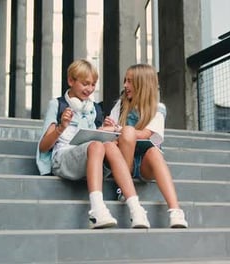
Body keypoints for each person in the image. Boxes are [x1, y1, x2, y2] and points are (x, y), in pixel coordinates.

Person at [36, 59, 151, 229]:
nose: (89, 89)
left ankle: (136, 209)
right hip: (63, 159)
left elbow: (98, 138)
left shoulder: (95, 109)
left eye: (93, 84)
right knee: (96, 146)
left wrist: (105, 129)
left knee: (110, 146)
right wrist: (61, 127)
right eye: (85, 84)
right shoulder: (58, 105)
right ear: (70, 81)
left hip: (88, 158)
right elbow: (43, 146)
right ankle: (96, 210)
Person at [103, 63, 189, 228]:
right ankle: (123, 188)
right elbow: (108, 131)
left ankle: (175, 211)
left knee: (154, 152)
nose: (125, 85)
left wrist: (118, 129)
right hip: (122, 160)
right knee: (127, 131)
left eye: (130, 81)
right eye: (125, 81)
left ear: (142, 85)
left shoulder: (157, 108)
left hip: (144, 163)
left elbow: (145, 135)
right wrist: (109, 125)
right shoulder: (120, 105)